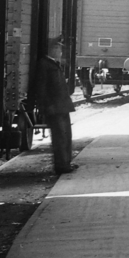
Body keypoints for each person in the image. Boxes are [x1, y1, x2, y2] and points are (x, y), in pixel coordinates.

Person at [33, 39, 76, 174]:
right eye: (58, 49)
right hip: (55, 107)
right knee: (60, 137)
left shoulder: (52, 64)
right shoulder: (45, 64)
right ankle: (62, 165)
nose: (60, 52)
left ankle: (66, 163)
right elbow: (41, 88)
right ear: (51, 50)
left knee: (65, 136)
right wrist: (47, 105)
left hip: (61, 106)